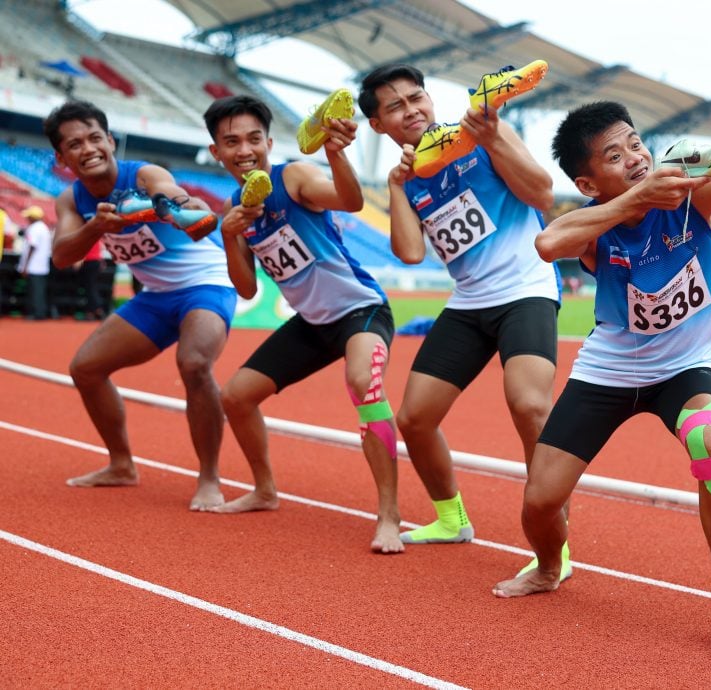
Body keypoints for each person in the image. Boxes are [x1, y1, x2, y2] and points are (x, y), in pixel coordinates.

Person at [491, 100, 711, 665]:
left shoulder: (697, 193)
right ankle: (550, 565)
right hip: (610, 369)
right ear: (588, 181)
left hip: (687, 366)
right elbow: (547, 244)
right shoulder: (593, 223)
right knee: (539, 502)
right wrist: (635, 200)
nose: (634, 157)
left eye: (635, 144)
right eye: (614, 155)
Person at [358, 63, 565, 569]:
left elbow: (542, 193)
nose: (411, 110)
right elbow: (409, 253)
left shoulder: (481, 131)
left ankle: (554, 540)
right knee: (415, 418)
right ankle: (452, 519)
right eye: (395, 107)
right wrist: (395, 186)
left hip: (526, 290)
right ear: (378, 125)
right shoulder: (408, 179)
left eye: (416, 98)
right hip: (470, 300)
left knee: (529, 406)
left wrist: (492, 138)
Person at [202, 94, 403, 554]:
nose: (245, 150)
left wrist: (334, 152)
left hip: (360, 311)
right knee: (236, 396)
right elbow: (247, 289)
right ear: (217, 152)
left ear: (269, 142)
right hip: (313, 323)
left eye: (254, 138)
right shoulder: (236, 205)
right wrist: (230, 234)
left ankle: (388, 515)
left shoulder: (291, 177)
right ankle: (265, 490)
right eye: (231, 142)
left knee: (364, 385)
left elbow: (350, 201)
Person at [44, 100, 236, 510]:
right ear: (61, 158)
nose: (89, 148)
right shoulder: (71, 200)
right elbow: (62, 257)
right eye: (75, 144)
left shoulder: (143, 175)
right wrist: (96, 225)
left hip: (205, 284)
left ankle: (209, 478)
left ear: (111, 141)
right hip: (155, 297)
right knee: (86, 368)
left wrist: (173, 205)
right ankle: (121, 465)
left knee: (195, 363)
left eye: (96, 137)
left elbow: (172, 192)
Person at [16, 205, 53, 320]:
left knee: (35, 290)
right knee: (39, 290)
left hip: (34, 266)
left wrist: (25, 266)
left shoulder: (35, 229)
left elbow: (32, 247)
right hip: (41, 265)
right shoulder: (43, 228)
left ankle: (37, 313)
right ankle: (39, 312)